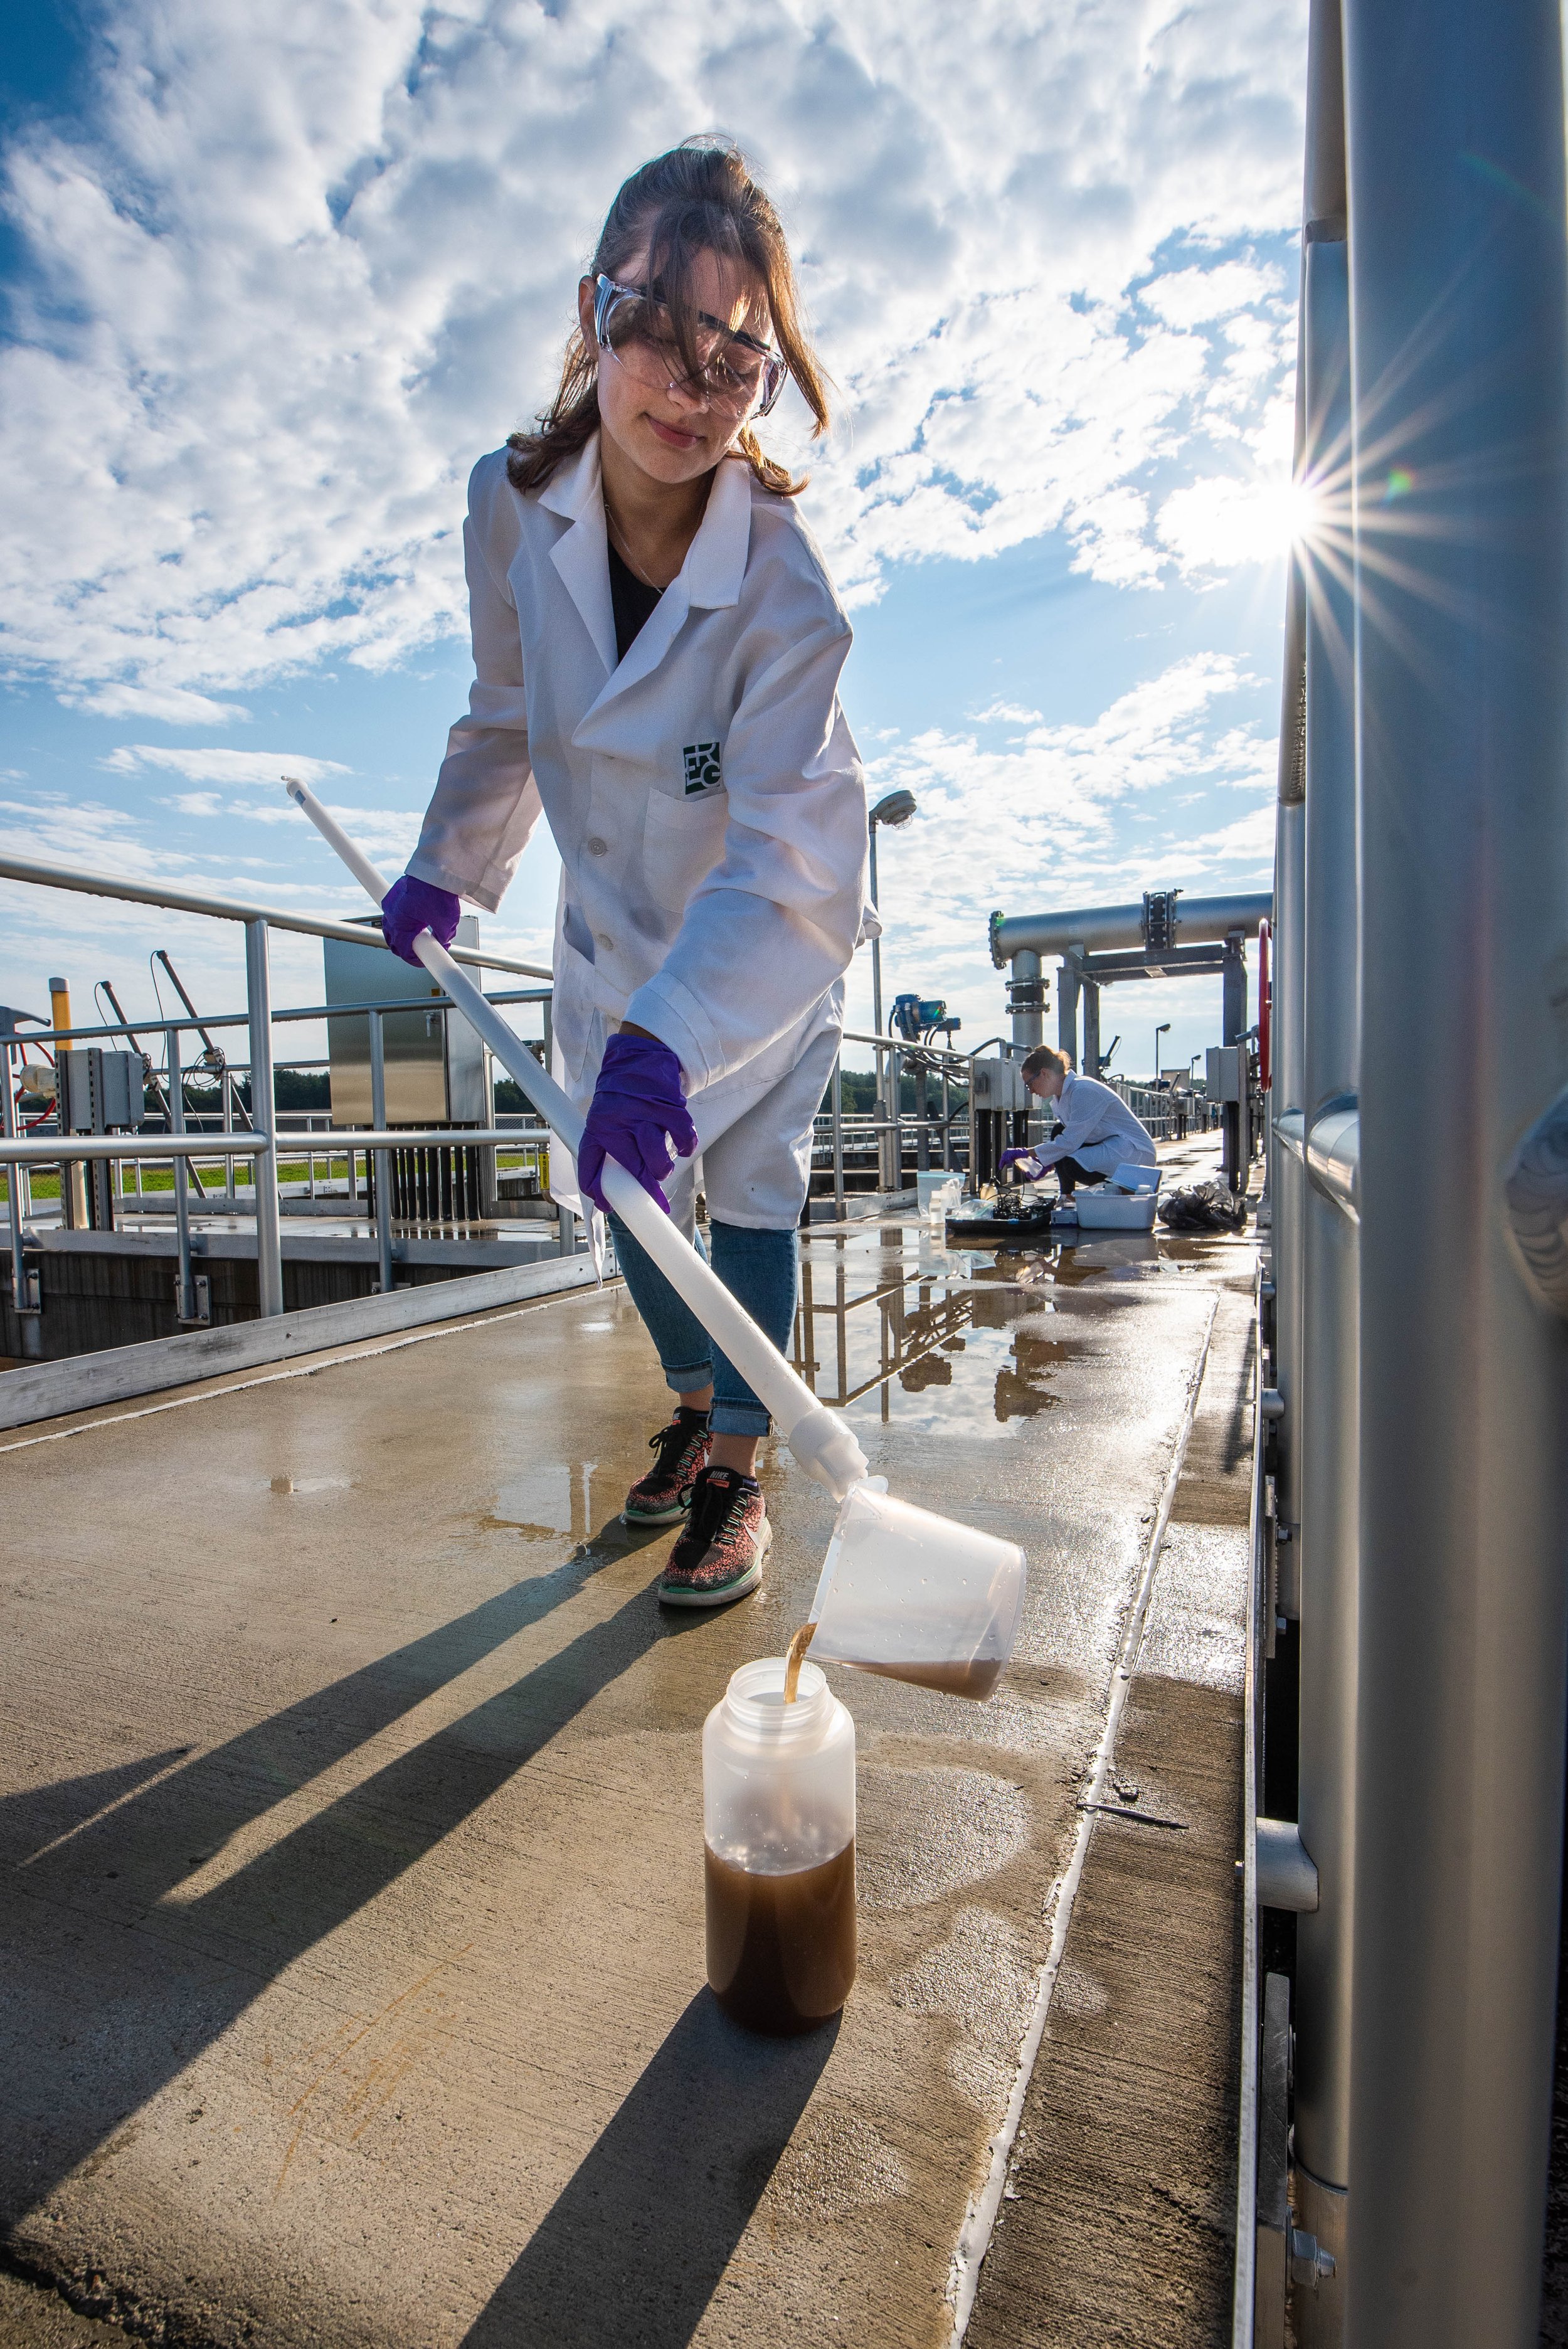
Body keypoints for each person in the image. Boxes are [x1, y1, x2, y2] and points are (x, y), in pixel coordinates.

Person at [378, 141, 872, 1610]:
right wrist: (445, 872)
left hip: (749, 956)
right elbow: (504, 714)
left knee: (751, 1191)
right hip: (608, 946)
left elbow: (795, 855)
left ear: (768, 376)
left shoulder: (783, 587)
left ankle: (738, 1473)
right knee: (628, 1201)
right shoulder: (510, 505)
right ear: (594, 311)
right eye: (657, 324)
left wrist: (685, 1028)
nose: (690, 383)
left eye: (738, 353)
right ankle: (694, 1403)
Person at [1000, 1042, 1158, 1195]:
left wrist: (1027, 1153)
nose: (1031, 1091)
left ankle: (1120, 1189)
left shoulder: (1083, 1090)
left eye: (1029, 1084)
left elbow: (1070, 1142)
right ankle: (1066, 1196)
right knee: (1058, 1131)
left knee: (1071, 1164)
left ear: (1044, 1074)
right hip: (1112, 1142)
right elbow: (1068, 1138)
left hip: (1135, 1152)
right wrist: (1047, 1161)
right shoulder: (1061, 1097)